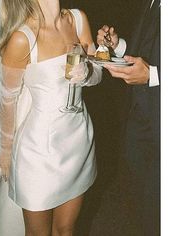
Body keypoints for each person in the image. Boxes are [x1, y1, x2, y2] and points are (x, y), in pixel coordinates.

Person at [0, 0, 102, 235]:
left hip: (79, 141)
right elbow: (8, 101)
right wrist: (6, 150)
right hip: (37, 153)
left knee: (66, 229)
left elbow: (97, 71)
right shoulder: (23, 39)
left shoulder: (78, 19)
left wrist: (88, 73)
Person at [97, 0, 160, 234]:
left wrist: (154, 75)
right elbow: (148, 49)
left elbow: (154, 67)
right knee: (144, 206)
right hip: (139, 121)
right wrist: (117, 46)